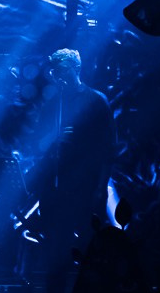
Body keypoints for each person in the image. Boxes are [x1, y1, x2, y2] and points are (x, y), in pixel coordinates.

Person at [28, 47, 114, 265]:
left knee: (89, 243)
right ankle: (54, 291)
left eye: (63, 69)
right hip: (54, 187)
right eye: (55, 70)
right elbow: (37, 146)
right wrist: (52, 137)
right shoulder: (52, 105)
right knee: (55, 245)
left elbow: (107, 148)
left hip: (86, 185)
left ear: (76, 68)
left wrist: (101, 187)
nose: (58, 75)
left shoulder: (96, 100)